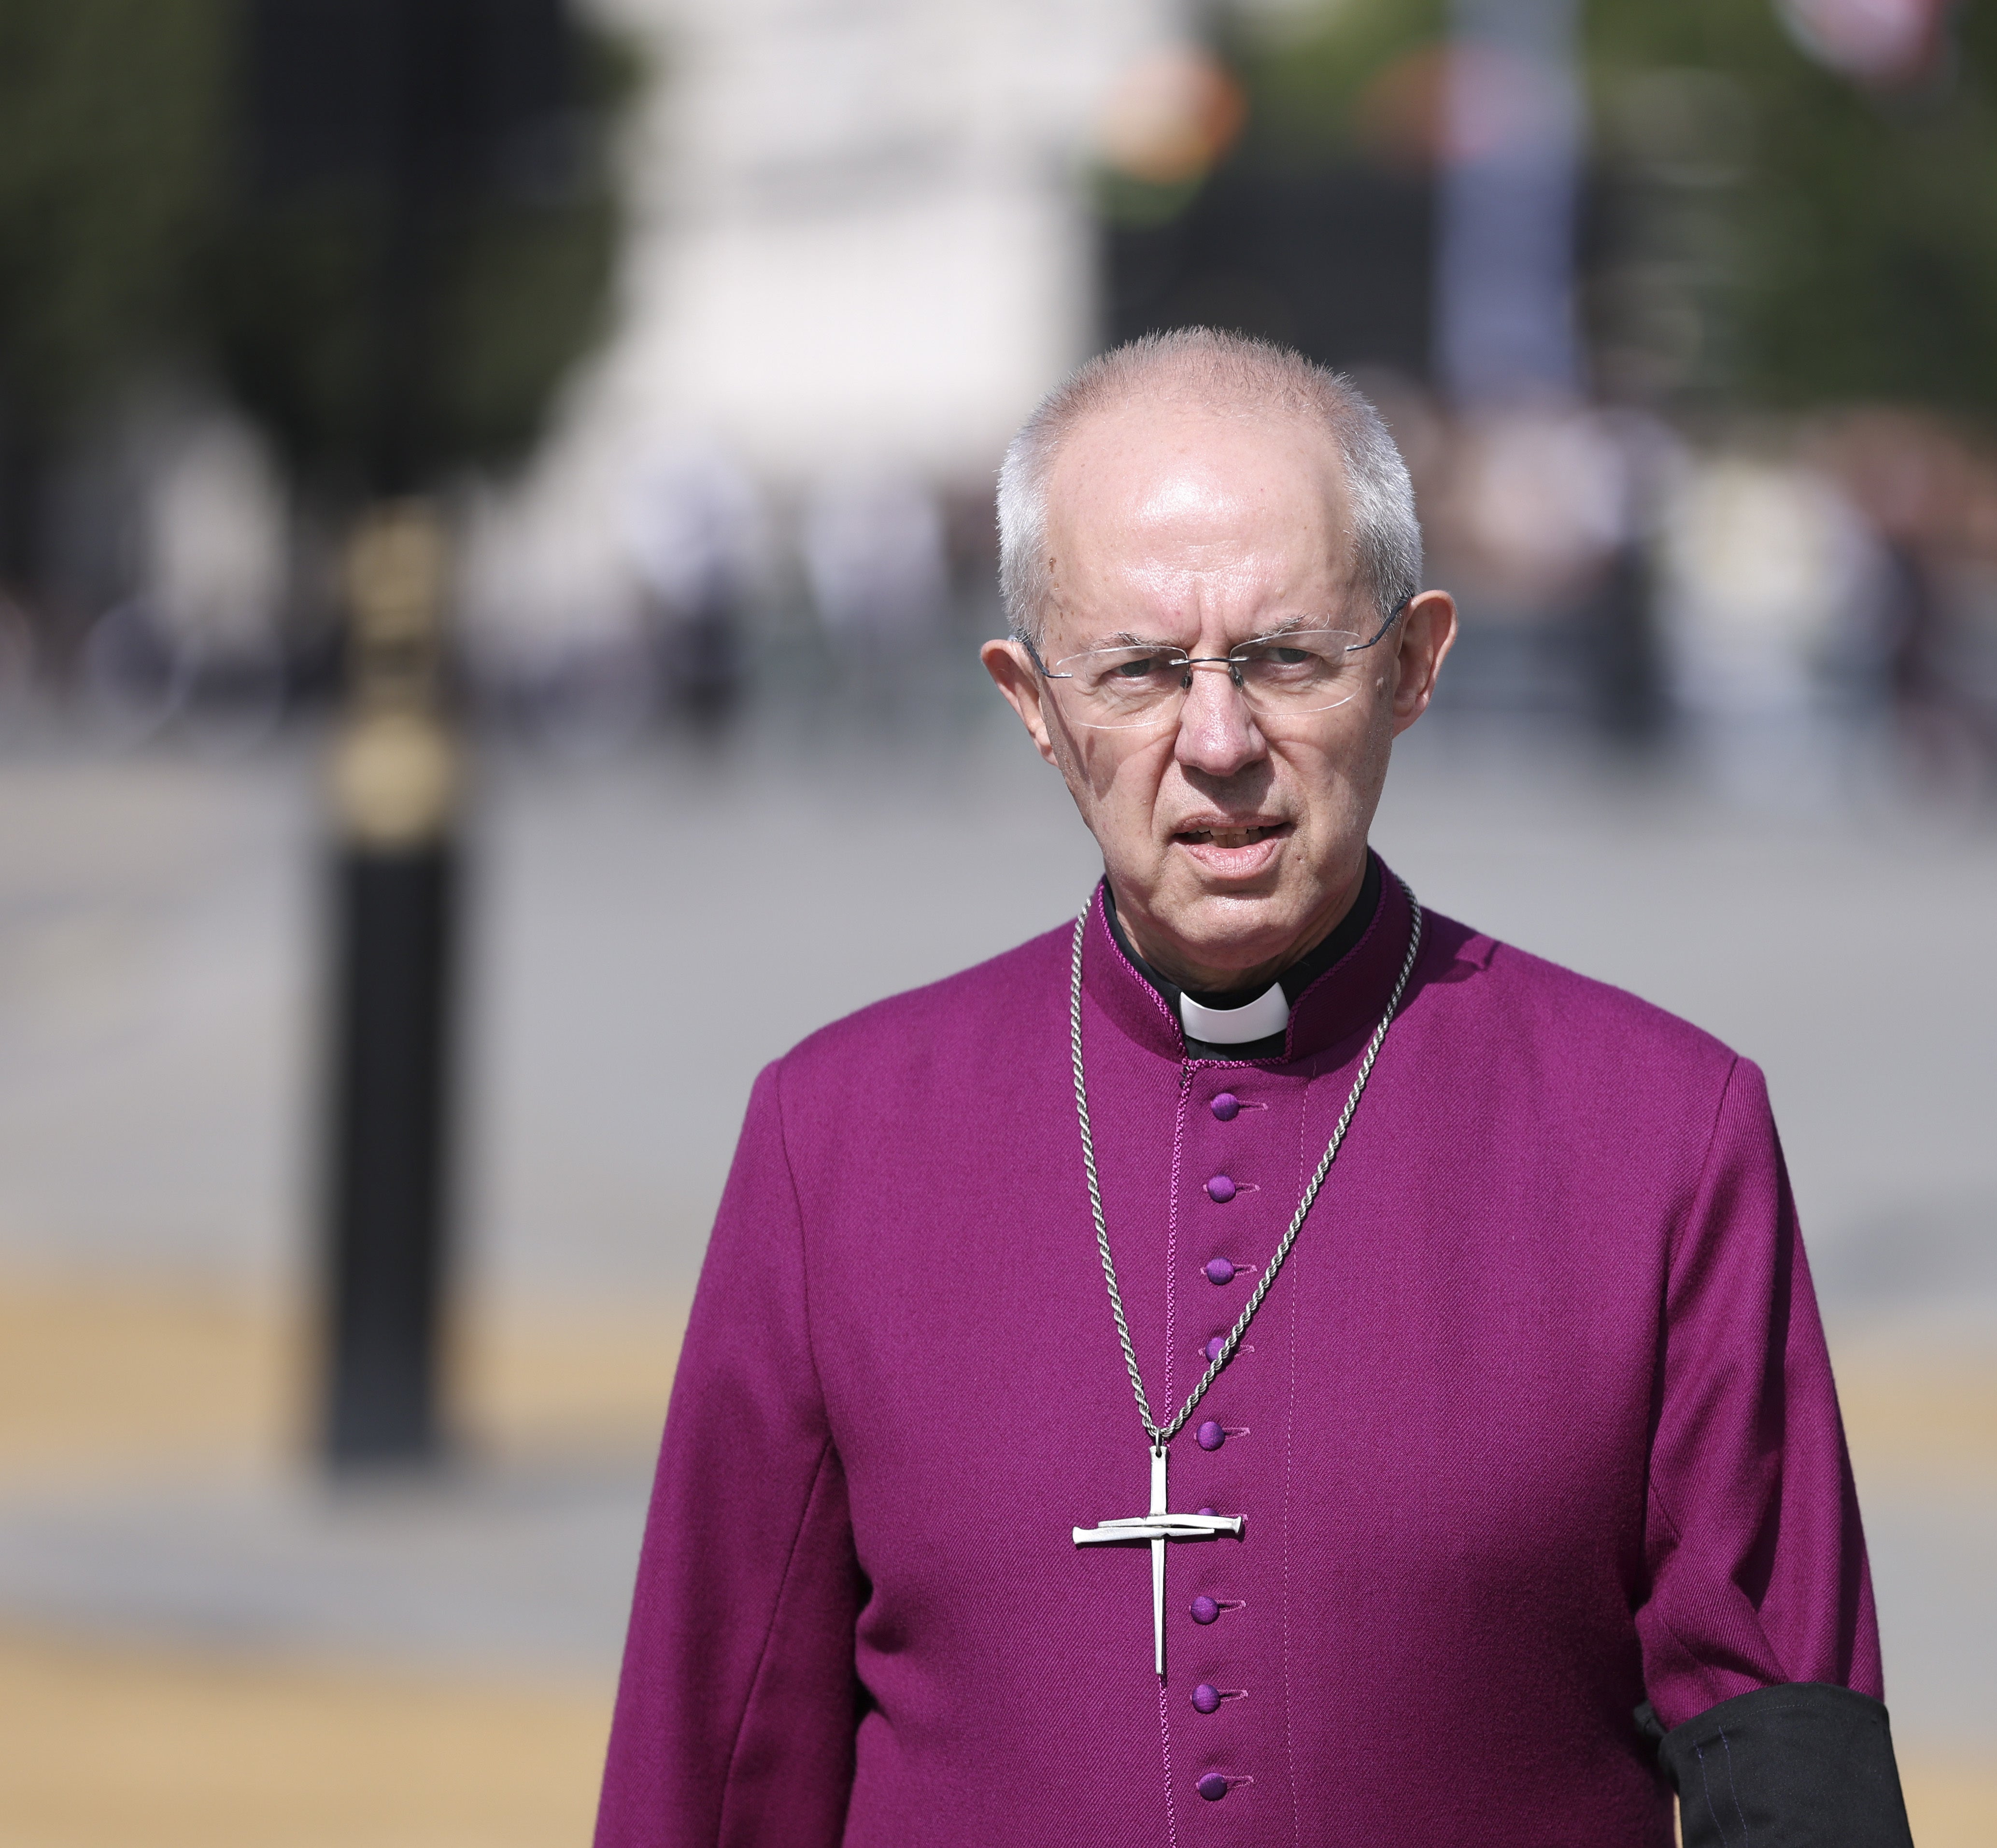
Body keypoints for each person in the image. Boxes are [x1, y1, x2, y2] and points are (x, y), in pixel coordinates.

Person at [596, 329, 1911, 1846]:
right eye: (1143, 671)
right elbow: (716, 1751)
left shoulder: (1664, 1137)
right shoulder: (834, 1141)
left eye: (1286, 658)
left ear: (1412, 665)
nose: (1219, 743)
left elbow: (1791, 1766)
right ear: (1030, 700)